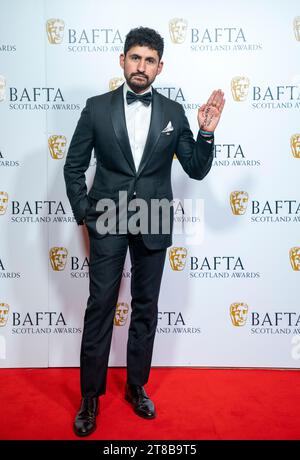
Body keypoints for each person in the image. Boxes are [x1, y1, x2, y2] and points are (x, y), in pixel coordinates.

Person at [64, 26, 225, 437]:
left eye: (149, 60)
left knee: (146, 306)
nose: (141, 66)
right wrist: (87, 213)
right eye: (135, 57)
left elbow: (196, 167)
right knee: (100, 304)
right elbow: (73, 166)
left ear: (160, 67)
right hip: (109, 217)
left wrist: (206, 132)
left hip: (153, 216)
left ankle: (136, 386)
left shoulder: (173, 112)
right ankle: (90, 396)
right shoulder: (96, 108)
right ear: (122, 60)